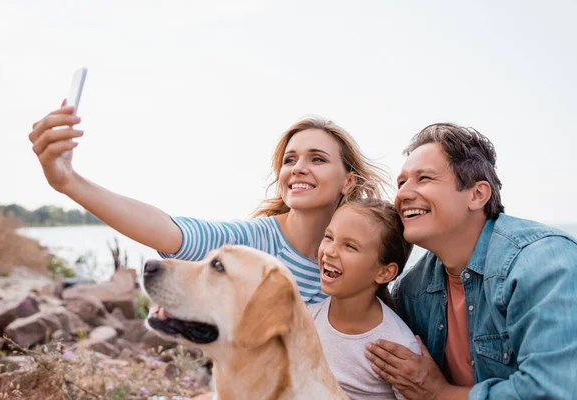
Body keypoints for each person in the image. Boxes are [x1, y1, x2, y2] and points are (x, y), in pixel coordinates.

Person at [28, 104, 388, 303]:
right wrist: (69, 183)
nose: (298, 169)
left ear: (349, 180)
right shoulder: (256, 243)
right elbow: (171, 232)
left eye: (317, 159)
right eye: (290, 160)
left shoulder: (365, 257)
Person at [364, 123, 577, 399]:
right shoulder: (410, 290)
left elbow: (554, 390)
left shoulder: (541, 263)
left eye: (424, 178)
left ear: (477, 195)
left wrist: (439, 393)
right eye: (401, 182)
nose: (402, 194)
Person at [308, 198, 420, 400]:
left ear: (385, 273)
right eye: (329, 237)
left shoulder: (397, 349)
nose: (330, 251)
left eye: (350, 246)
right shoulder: (306, 320)